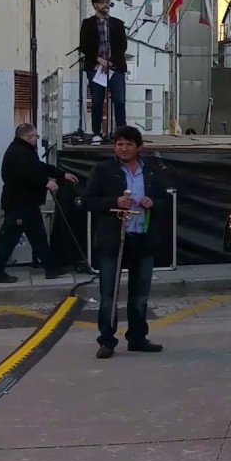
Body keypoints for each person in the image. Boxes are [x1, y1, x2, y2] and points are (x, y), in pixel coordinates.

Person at [82, 126, 169, 358]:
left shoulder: (152, 170)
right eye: (119, 144)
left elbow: (166, 200)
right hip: (114, 240)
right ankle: (107, 340)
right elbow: (87, 201)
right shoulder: (103, 170)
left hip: (143, 237)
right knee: (109, 294)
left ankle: (138, 338)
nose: (123, 148)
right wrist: (114, 201)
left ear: (139, 147)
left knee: (140, 294)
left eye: (128, 144)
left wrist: (154, 203)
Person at [0, 124, 77, 283]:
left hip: (28, 203)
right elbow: (26, 174)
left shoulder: (24, 150)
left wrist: (61, 174)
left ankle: (51, 268)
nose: (37, 138)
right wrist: (46, 182)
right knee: (9, 239)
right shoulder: (18, 152)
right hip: (18, 204)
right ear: (28, 137)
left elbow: (38, 167)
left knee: (39, 237)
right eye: (35, 136)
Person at [78, 0, 128, 143]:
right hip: (95, 67)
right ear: (95, 5)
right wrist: (99, 59)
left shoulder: (117, 23)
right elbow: (84, 46)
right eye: (102, 2)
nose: (106, 5)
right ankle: (96, 133)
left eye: (107, 2)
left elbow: (122, 45)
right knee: (97, 100)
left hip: (115, 67)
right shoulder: (88, 24)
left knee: (119, 99)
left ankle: (121, 131)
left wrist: (111, 61)